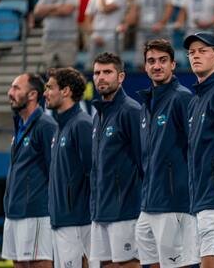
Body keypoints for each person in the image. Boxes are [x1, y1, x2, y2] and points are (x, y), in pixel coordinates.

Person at [135, 39, 200, 268]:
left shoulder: (183, 98)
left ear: (173, 64)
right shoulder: (145, 105)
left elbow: (196, 148)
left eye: (163, 61)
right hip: (148, 203)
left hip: (175, 202)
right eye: (151, 61)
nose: (157, 66)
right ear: (145, 67)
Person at [183, 32, 214, 268]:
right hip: (200, 200)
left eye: (203, 51)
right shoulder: (194, 101)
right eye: (192, 52)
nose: (196, 56)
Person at [89, 52, 142, 268]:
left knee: (128, 264)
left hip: (126, 209)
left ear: (121, 77)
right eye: (97, 73)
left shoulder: (131, 111)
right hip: (101, 209)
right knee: (107, 264)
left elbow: (143, 161)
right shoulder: (98, 116)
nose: (101, 77)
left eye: (107, 72)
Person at [2, 73, 57, 268]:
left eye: (16, 88)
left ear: (33, 94)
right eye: (11, 87)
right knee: (19, 265)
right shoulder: (19, 125)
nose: (11, 93)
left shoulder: (46, 126)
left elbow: (55, 171)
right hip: (13, 211)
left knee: (39, 264)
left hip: (36, 212)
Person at [44, 67, 93, 268]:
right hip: (61, 218)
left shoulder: (82, 124)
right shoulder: (59, 127)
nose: (45, 93)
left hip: (78, 219)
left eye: (50, 87)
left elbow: (93, 172)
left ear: (66, 91)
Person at [125, 0, 176, 67]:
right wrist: (127, 24)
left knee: (163, 62)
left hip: (161, 32)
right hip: (143, 31)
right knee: (142, 62)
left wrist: (161, 23)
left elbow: (170, 6)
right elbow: (136, 7)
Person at [34, 0, 79, 68]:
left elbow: (67, 10)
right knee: (49, 71)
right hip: (49, 38)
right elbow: (37, 11)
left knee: (67, 72)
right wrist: (57, 7)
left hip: (67, 39)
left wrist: (47, 10)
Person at [84, 0, 130, 66]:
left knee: (112, 67)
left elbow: (104, 8)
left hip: (113, 39)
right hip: (95, 39)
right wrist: (93, 35)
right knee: (92, 67)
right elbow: (88, 17)